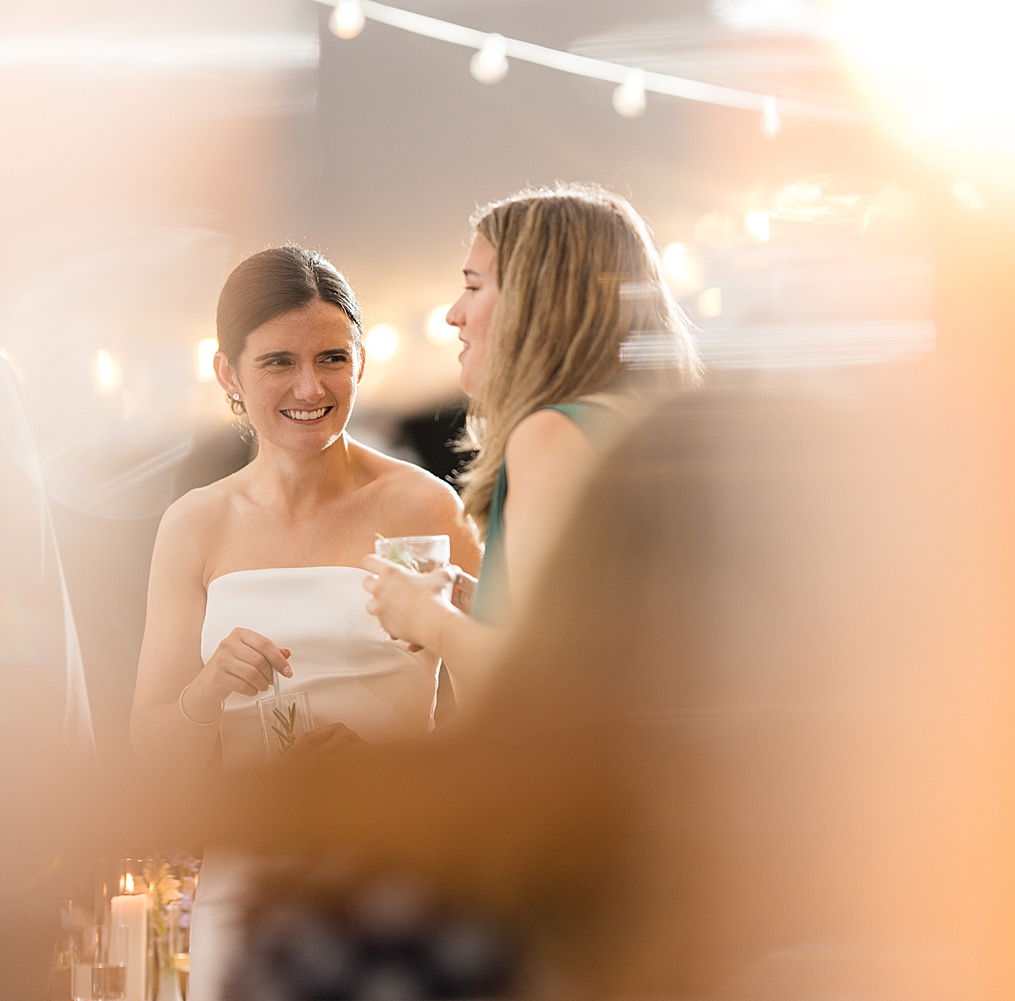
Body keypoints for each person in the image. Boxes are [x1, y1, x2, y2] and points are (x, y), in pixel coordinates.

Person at [130, 244, 481, 772]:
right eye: (279, 362)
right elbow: (155, 753)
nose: (310, 388)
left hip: (396, 839)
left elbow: (502, 710)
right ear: (228, 373)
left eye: (332, 359)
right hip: (253, 843)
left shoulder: (419, 507)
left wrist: (393, 769)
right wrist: (206, 693)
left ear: (360, 362)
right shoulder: (197, 524)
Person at [361, 184, 700, 700]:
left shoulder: (550, 434)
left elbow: (544, 682)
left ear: (534, 300)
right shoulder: (633, 424)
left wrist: (427, 620)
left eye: (474, 287)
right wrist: (481, 604)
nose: (454, 314)